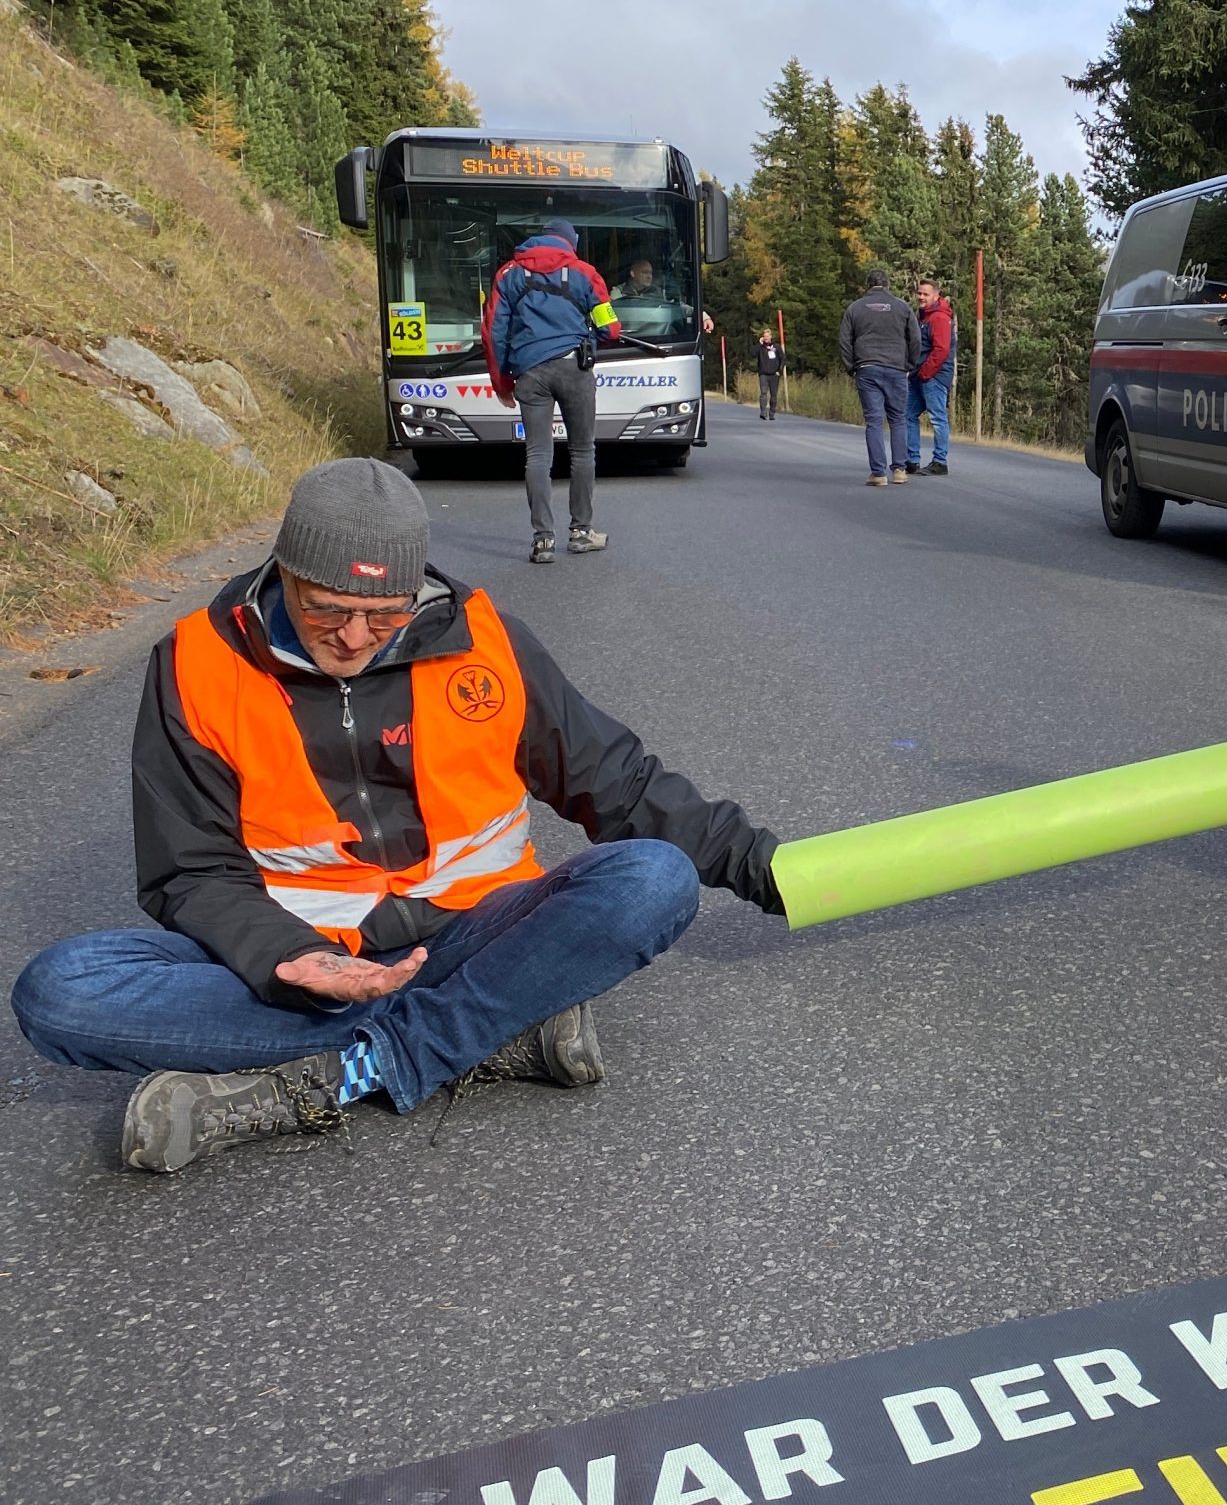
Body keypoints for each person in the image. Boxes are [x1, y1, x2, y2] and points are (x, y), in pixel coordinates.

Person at [7, 459, 787, 1174]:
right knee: (59, 989)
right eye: (327, 611)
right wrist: (293, 959)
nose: (353, 637)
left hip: (478, 938)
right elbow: (191, 870)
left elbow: (618, 782)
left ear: (416, 592)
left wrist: (767, 869)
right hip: (302, 968)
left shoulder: (485, 642)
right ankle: (485, 1036)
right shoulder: (194, 665)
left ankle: (341, 1072)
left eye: (384, 615)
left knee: (653, 877)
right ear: (286, 573)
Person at [482, 222, 619, 564]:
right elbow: (611, 329)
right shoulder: (584, 273)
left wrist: (501, 383)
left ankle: (542, 539)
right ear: (570, 243)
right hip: (574, 369)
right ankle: (581, 532)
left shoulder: (508, 274)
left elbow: (493, 332)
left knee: (538, 455)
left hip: (530, 373)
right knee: (582, 451)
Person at [839, 266, 921, 487]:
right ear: (887, 285)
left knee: (874, 420)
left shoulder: (854, 308)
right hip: (896, 368)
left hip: (867, 368)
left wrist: (851, 367)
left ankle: (878, 473)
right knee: (898, 418)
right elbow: (915, 339)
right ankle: (900, 470)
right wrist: (909, 365)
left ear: (868, 285)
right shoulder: (902, 307)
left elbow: (845, 341)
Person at [904, 277, 957, 476]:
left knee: (937, 418)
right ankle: (911, 460)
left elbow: (941, 350)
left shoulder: (939, 318)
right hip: (919, 375)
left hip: (934, 376)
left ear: (936, 295)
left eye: (925, 294)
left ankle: (940, 461)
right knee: (908, 414)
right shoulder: (923, 316)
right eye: (919, 293)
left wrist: (926, 373)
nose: (921, 297)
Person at [755, 327, 785, 420]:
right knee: (763, 393)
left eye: (767, 336)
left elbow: (783, 359)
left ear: (771, 337)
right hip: (763, 374)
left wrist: (779, 371)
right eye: (764, 336)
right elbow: (753, 353)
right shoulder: (761, 347)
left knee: (773, 395)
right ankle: (763, 412)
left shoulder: (777, 347)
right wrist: (759, 344)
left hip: (774, 375)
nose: (766, 338)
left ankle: (772, 413)